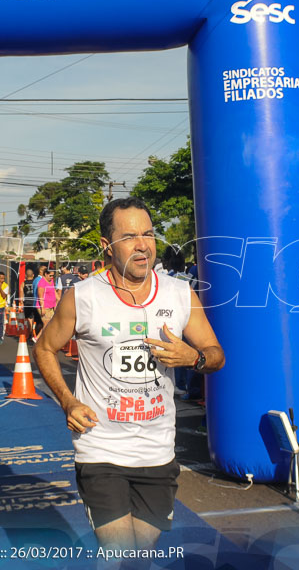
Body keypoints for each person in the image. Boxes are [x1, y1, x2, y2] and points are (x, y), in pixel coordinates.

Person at [34, 198, 225, 553]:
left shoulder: (180, 293)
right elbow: (45, 348)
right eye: (130, 237)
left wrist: (194, 358)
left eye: (149, 234)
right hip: (101, 448)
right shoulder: (83, 297)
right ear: (108, 246)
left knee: (140, 555)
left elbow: (217, 356)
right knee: (120, 552)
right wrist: (68, 401)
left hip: (157, 451)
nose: (143, 245)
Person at [21, 267, 41, 342]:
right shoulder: (35, 282)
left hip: (27, 302)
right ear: (33, 275)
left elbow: (21, 293)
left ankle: (30, 333)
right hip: (35, 301)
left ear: (26, 275)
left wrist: (21, 302)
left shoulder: (23, 283)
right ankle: (36, 333)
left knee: (29, 318)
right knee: (36, 318)